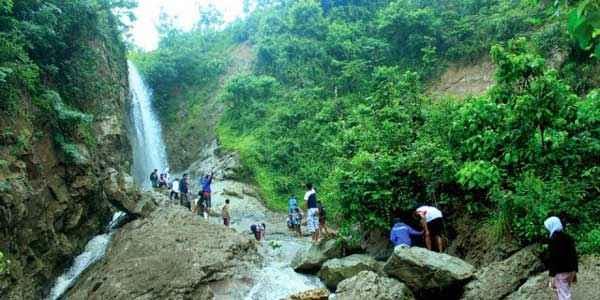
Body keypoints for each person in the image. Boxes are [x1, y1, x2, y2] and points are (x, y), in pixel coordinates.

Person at [544, 216, 578, 300]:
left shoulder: (553, 240)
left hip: (560, 272)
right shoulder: (568, 237)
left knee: (564, 295)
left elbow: (553, 259)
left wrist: (552, 275)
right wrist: (575, 270)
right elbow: (574, 255)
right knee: (565, 290)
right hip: (570, 270)